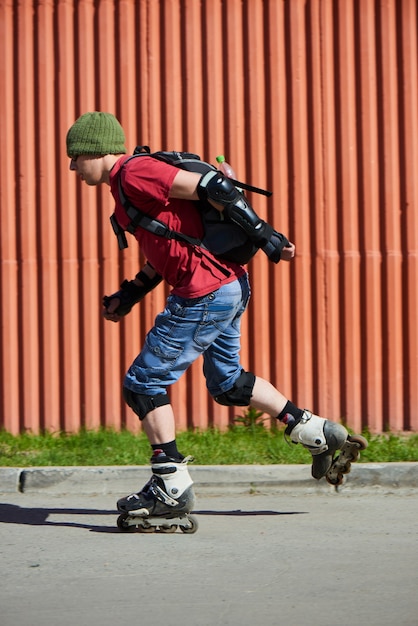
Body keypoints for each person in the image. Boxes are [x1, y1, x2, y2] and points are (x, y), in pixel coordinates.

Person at [66, 111, 358, 521]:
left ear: (94, 151)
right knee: (228, 383)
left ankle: (170, 487)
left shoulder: (134, 172)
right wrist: (129, 293)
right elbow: (169, 247)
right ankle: (314, 431)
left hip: (204, 293)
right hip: (227, 285)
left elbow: (213, 186)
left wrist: (268, 238)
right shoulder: (126, 186)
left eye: (75, 156)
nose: (72, 166)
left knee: (143, 383)